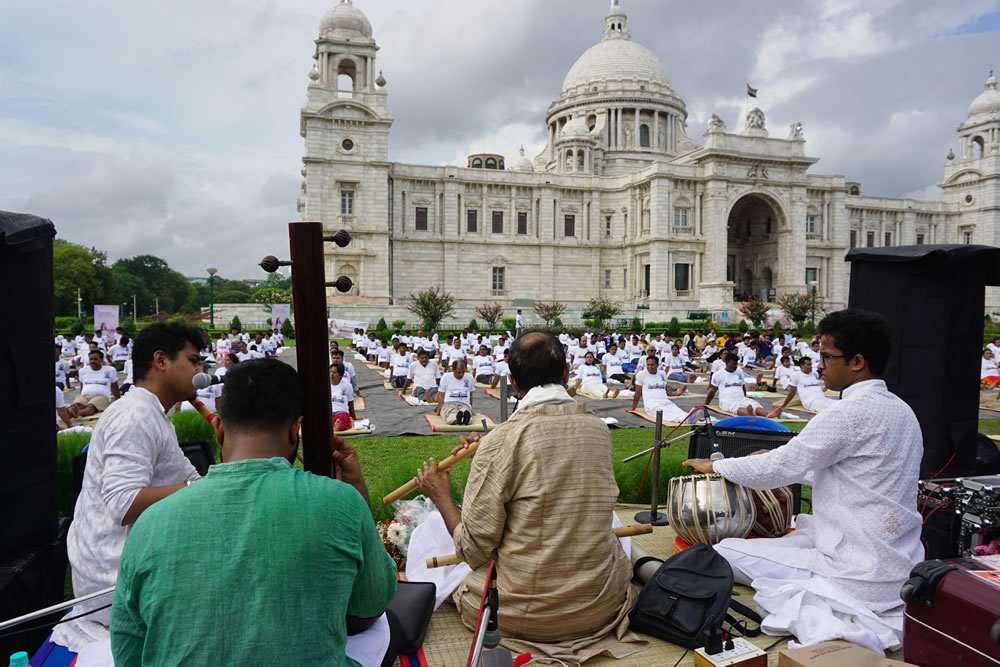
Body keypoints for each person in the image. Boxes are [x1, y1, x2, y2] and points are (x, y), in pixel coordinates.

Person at [110, 358, 398, 665]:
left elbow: (128, 651)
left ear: (218, 430)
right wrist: (355, 489)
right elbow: (373, 600)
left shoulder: (151, 522)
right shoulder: (341, 502)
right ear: (294, 431)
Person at [683, 310, 923, 654]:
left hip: (856, 573)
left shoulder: (846, 414)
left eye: (826, 356)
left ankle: (827, 590)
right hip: (898, 562)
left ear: (856, 361)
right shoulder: (903, 410)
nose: (820, 365)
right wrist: (756, 462)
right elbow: (852, 474)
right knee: (803, 526)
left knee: (722, 551)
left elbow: (781, 468)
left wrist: (717, 466)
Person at [411, 332, 645, 662]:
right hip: (601, 606)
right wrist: (484, 458)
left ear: (512, 383)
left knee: (435, 530)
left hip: (526, 618)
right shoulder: (598, 430)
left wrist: (441, 495)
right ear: (566, 374)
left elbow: (474, 549)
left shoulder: (500, 442)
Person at [52, 322, 208, 652]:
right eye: (193, 361)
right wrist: (202, 489)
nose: (201, 371)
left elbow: (192, 479)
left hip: (128, 569)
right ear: (161, 361)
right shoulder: (135, 414)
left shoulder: (152, 413)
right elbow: (124, 503)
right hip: (113, 582)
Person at [631, 355, 701, 423]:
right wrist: (633, 408)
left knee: (674, 408)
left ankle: (689, 416)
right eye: (648, 365)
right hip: (652, 404)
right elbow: (638, 392)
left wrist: (670, 392)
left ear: (657, 365)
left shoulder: (662, 374)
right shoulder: (641, 374)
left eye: (652, 365)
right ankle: (683, 420)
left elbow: (665, 390)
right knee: (664, 412)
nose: (650, 367)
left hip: (665, 401)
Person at [705, 353, 770, 417]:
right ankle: (750, 415)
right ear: (727, 363)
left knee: (753, 404)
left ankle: (768, 414)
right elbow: (713, 391)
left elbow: (743, 386)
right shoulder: (718, 374)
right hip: (727, 400)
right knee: (736, 407)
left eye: (737, 364)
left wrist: (744, 398)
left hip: (740, 398)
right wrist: (706, 404)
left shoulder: (739, 371)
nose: (736, 366)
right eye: (734, 364)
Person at [768, 357, 835, 416]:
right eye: (808, 364)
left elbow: (826, 375)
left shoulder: (814, 374)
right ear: (801, 366)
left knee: (839, 404)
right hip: (811, 402)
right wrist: (783, 406)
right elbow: (792, 392)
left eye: (811, 364)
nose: (811, 366)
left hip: (822, 399)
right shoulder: (796, 376)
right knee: (830, 410)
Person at [68, 350, 121, 418]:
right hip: (85, 396)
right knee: (75, 405)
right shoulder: (82, 371)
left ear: (101, 360)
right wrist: (81, 396)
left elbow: (114, 387)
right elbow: (82, 386)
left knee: (91, 407)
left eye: (95, 359)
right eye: (91, 359)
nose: (92, 361)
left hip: (101, 396)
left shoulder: (110, 370)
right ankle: (70, 412)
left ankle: (77, 413)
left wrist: (118, 402)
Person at [436, 359, 475, 425]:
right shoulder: (446, 377)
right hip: (449, 403)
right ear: (453, 370)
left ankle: (464, 419)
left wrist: (470, 408)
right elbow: (441, 395)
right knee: (450, 412)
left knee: (466, 411)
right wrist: (438, 411)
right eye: (459, 372)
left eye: (463, 372)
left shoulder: (469, 377)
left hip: (464, 404)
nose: (461, 374)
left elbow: (470, 395)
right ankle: (457, 419)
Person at [330, 362, 356, 432]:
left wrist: (353, 416)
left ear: (340, 375)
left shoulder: (347, 386)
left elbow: (350, 402)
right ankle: (334, 425)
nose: (331, 374)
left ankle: (337, 426)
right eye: (331, 372)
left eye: (334, 373)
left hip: (341, 412)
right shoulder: (324, 385)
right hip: (329, 412)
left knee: (342, 418)